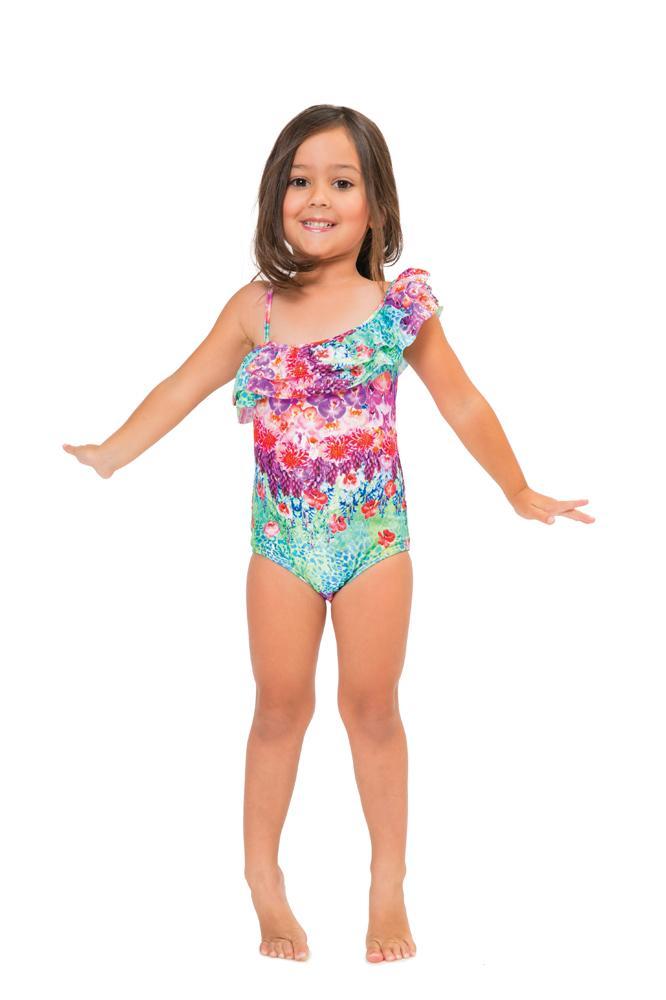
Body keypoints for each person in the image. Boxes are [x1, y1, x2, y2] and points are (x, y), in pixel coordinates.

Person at [62, 104, 595, 964]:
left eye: (341, 182)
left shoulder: (396, 306)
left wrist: (517, 488)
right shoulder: (257, 309)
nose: (318, 197)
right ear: (274, 196)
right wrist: (112, 453)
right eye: (299, 181)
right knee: (279, 708)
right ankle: (262, 878)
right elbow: (182, 386)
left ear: (376, 204)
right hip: (281, 544)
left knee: (371, 708)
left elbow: (462, 401)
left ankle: (388, 881)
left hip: (375, 543)